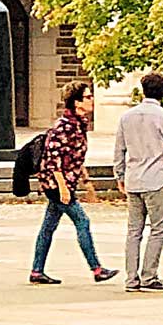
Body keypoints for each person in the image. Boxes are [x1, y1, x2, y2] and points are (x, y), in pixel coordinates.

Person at [32, 81, 117, 285]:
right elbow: (54, 158)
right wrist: (63, 188)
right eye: (88, 97)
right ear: (77, 102)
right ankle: (96, 269)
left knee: (48, 226)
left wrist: (86, 182)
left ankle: (37, 271)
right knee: (82, 221)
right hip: (56, 184)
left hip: (65, 182)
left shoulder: (79, 124)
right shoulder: (64, 126)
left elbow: (75, 157)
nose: (92, 100)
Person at [114, 72, 163, 292]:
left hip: (133, 178)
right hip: (156, 179)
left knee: (134, 230)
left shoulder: (127, 117)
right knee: (158, 228)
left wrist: (120, 175)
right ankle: (149, 275)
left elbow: (119, 150)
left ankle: (131, 278)